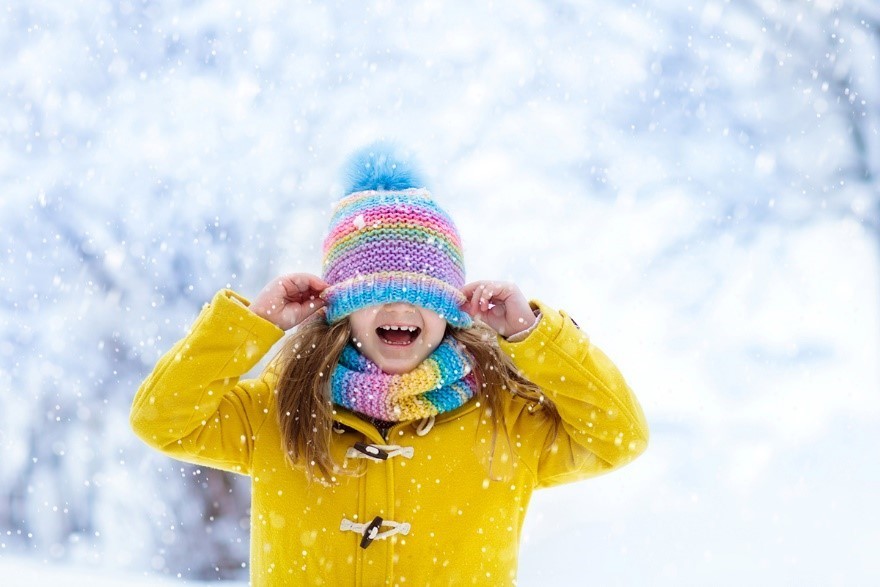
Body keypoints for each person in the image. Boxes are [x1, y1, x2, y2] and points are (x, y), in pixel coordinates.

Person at [130, 144, 649, 586]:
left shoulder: (504, 418)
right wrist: (251, 324)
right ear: (343, 309)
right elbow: (161, 417)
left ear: (450, 309)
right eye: (376, 292)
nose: (400, 309)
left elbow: (619, 434)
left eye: (422, 293)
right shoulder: (283, 409)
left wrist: (534, 337)